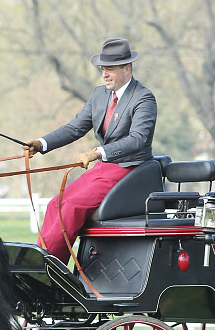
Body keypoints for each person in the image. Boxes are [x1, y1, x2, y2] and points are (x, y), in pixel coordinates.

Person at [25, 37, 157, 263]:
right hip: (104, 169)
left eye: (110, 70)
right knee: (54, 204)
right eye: (102, 69)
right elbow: (76, 127)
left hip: (129, 169)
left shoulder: (143, 98)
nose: (104, 75)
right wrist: (42, 143)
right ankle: (40, 261)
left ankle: (50, 267)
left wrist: (97, 152)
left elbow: (138, 139)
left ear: (127, 68)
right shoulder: (99, 95)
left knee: (71, 207)